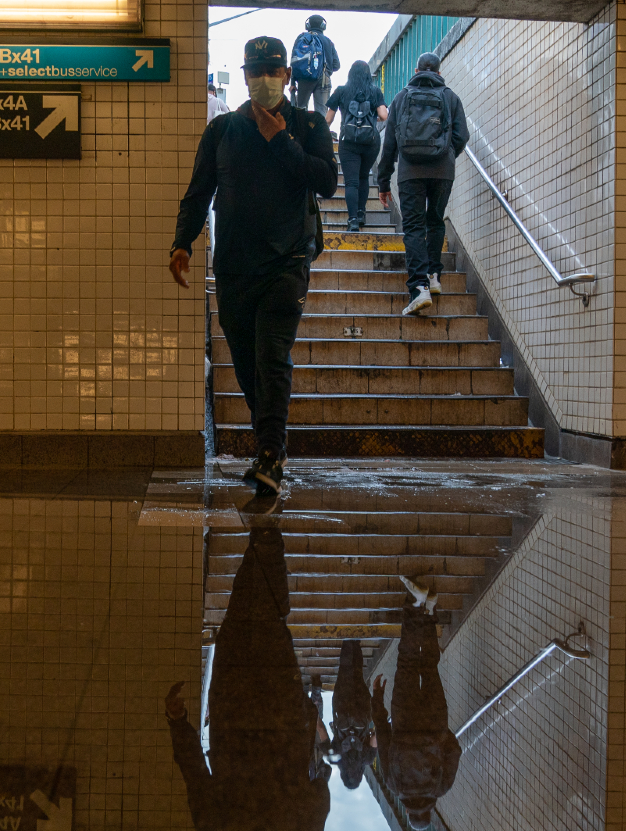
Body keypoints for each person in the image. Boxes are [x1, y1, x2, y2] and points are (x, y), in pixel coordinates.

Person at [170, 37, 338, 495]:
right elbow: (199, 189)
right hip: (234, 266)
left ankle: (269, 452)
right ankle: (269, 441)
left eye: (272, 70)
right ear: (245, 76)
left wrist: (280, 139)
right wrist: (181, 242)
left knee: (271, 356)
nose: (263, 78)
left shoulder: (305, 125)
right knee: (245, 362)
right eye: (255, 70)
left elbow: (326, 181)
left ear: (286, 76)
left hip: (288, 262)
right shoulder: (222, 129)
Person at [165, 520, 331, 831]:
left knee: (244, 617)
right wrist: (312, 731)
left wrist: (178, 722)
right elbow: (320, 778)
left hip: (245, 706)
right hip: (260, 708)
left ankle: (266, 533)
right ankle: (265, 533)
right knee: (269, 621)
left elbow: (193, 770)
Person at [377, 51, 469, 317]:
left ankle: (418, 288)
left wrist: (383, 182)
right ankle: (433, 274)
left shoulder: (402, 97)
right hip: (443, 170)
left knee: (415, 226)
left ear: (416, 71)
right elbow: (462, 135)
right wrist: (446, 153)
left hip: (410, 172)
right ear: (439, 73)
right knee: (435, 220)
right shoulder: (450, 97)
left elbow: (390, 145)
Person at [369, 576, 460, 830]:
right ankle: (415, 603)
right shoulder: (394, 785)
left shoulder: (441, 787)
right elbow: (384, 737)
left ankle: (430, 609)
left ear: (430, 812)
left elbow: (454, 750)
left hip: (434, 718)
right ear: (408, 810)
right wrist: (377, 700)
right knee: (408, 663)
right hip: (404, 717)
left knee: (429, 667)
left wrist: (440, 733)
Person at [325, 61, 389, 232]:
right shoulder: (375, 92)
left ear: (350, 74)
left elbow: (328, 120)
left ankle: (352, 220)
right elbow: (384, 115)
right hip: (370, 143)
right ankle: (361, 213)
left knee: (351, 182)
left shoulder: (341, 91)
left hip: (348, 143)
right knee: (363, 178)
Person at [330, 638, 376, 790]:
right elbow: (322, 731)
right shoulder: (337, 757)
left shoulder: (367, 759)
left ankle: (355, 643)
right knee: (344, 672)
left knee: (357, 674)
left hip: (362, 711)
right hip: (341, 709)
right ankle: (347, 641)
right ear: (343, 776)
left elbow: (376, 738)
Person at [291, 14, 340, 114]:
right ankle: (321, 130)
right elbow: (336, 65)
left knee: (300, 110)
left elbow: (294, 61)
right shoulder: (328, 42)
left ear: (308, 26)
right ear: (323, 26)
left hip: (304, 77)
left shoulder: (302, 38)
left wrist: (292, 82)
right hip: (323, 78)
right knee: (322, 113)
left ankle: (300, 129)